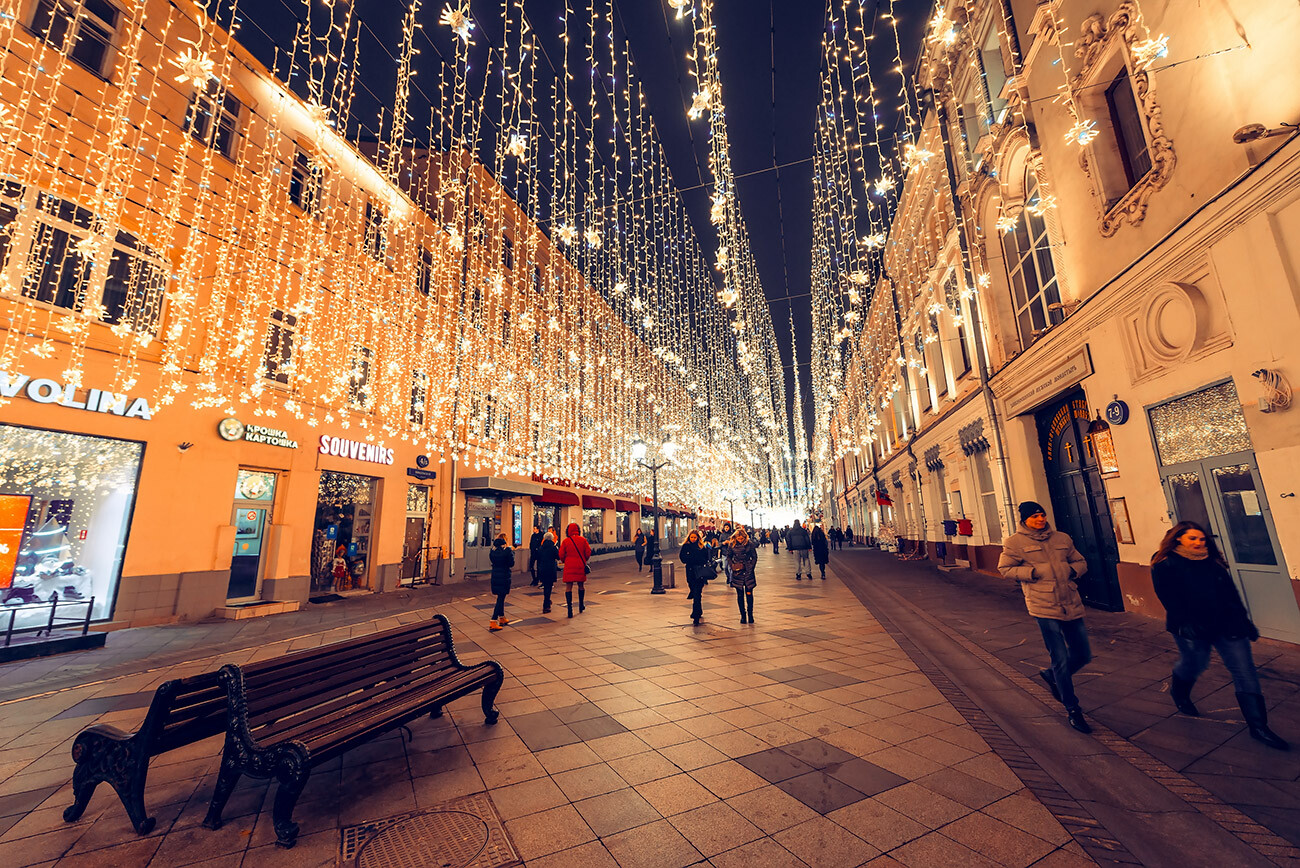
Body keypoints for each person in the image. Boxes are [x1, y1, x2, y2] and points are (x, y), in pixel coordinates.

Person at [1151, 522, 1288, 750]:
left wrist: (1244, 621)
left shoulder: (1213, 561)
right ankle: (1179, 691)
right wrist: (1185, 622)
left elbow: (1231, 594)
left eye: (1202, 539)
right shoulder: (1164, 563)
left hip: (1228, 624)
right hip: (1192, 627)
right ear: (1178, 539)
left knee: (1244, 670)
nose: (1198, 543)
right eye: (1192, 538)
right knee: (1195, 664)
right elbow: (1168, 597)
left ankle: (1259, 727)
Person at [999, 501, 1093, 734]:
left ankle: (1051, 676)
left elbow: (1080, 561)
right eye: (1035, 517)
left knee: (1083, 654)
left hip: (1070, 601)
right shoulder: (1014, 543)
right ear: (1024, 520)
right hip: (1042, 604)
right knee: (1060, 658)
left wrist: (1072, 571)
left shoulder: (1062, 538)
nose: (1040, 519)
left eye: (1042, 515)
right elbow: (1005, 569)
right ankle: (1073, 709)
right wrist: (1032, 573)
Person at [723, 527, 758, 624]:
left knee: (749, 593)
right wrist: (732, 565)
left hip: (748, 571)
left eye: (742, 538)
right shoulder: (732, 544)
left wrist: (751, 566)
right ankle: (743, 615)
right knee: (739, 594)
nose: (740, 540)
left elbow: (754, 556)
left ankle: (750, 615)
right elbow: (728, 555)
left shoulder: (749, 544)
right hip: (737, 571)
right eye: (738, 538)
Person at [559, 521, 592, 618]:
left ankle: (569, 609)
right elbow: (588, 552)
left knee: (568, 587)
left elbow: (561, 554)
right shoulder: (583, 540)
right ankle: (581, 605)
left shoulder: (565, 541)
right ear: (578, 530)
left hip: (569, 566)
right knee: (581, 585)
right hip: (580, 566)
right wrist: (584, 560)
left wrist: (566, 560)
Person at [680, 529, 712, 625]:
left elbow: (706, 558)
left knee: (697, 593)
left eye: (695, 537)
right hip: (690, 571)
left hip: (700, 572)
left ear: (698, 538)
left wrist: (695, 559)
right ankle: (698, 609)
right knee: (694, 590)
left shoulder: (702, 547)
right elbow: (682, 558)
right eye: (692, 537)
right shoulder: (686, 546)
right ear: (689, 537)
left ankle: (696, 614)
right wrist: (691, 559)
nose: (693, 539)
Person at [488, 534, 514, 631]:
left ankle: (502, 617)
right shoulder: (507, 550)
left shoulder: (492, 550)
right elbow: (511, 563)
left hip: (495, 575)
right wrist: (512, 552)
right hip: (504, 576)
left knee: (501, 596)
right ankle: (493, 620)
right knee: (500, 598)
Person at [535, 527, 560, 614]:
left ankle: (547, 601)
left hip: (542, 568)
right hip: (551, 568)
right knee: (549, 587)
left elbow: (538, 557)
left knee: (546, 586)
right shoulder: (553, 548)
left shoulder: (541, 548)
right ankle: (546, 605)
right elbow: (558, 557)